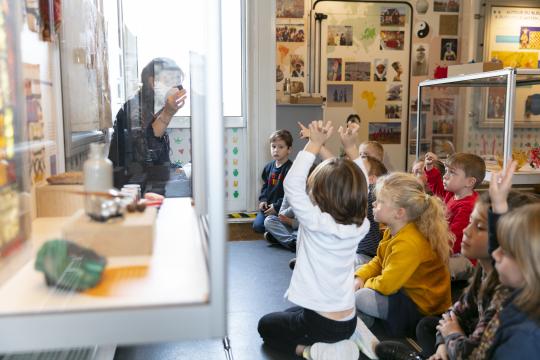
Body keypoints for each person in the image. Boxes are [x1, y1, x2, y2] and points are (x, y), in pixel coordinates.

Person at [258, 121, 370, 360]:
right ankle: (349, 338)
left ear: (319, 196)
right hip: (348, 319)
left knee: (266, 325)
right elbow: (362, 184)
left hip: (321, 325)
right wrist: (351, 147)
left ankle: (313, 351)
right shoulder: (360, 224)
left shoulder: (316, 223)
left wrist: (314, 143)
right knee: (291, 311)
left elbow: (292, 184)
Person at [416, 189, 538, 359]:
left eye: (480, 227)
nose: (466, 230)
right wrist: (443, 347)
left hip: (471, 347)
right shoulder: (486, 272)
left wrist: (452, 336)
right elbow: (454, 313)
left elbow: (477, 354)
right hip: (468, 339)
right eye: (470, 221)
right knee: (429, 325)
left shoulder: (506, 296)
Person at [354, 173, 452, 337]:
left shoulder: (409, 242)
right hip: (404, 291)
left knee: (361, 297)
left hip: (421, 309)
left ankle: (364, 321)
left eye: (380, 202)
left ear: (399, 213)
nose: (374, 204)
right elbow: (379, 261)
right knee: (358, 270)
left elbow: (386, 285)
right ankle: (363, 316)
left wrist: (362, 285)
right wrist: (360, 277)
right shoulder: (393, 230)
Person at [484, 162, 540, 358]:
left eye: (506, 252)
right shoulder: (522, 288)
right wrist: (498, 204)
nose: (495, 254)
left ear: (531, 266)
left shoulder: (524, 338)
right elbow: (499, 245)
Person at [108, 58, 187, 193]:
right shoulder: (134, 109)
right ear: (152, 81)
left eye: (179, 84)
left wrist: (175, 168)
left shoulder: (154, 110)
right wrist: (168, 114)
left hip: (147, 186)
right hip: (131, 192)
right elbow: (144, 158)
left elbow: (158, 160)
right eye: (171, 81)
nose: (176, 88)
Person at [424, 152, 486, 281]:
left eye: (452, 172)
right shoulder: (453, 194)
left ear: (469, 182)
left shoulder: (468, 206)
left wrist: (431, 248)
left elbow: (455, 241)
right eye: (446, 171)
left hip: (465, 258)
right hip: (449, 248)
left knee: (431, 269)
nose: (445, 176)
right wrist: (430, 170)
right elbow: (437, 188)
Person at [253, 130, 293, 233]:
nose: (276, 150)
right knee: (257, 226)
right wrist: (263, 200)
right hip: (268, 207)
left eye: (281, 147)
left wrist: (276, 206)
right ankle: (274, 232)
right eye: (273, 146)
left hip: (283, 208)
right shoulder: (268, 167)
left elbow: (291, 194)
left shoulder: (291, 169)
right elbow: (265, 186)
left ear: (289, 150)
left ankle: (278, 232)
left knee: (277, 224)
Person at [355, 156, 388, 266]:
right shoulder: (366, 195)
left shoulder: (371, 196)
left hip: (363, 256)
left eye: (358, 168)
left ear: (371, 179)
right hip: (361, 255)